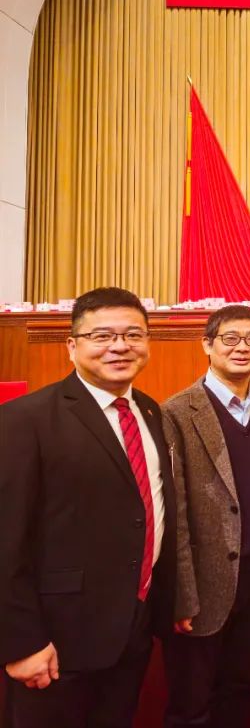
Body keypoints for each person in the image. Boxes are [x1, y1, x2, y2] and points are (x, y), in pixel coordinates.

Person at [0, 287, 174, 728]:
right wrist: (20, 642)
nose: (120, 346)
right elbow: (6, 540)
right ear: (72, 345)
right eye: (102, 336)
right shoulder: (25, 420)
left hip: (132, 629)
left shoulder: (149, 412)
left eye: (133, 334)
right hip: (56, 642)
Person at [161, 305, 250, 728]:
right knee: (191, 701)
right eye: (230, 338)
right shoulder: (177, 411)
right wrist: (182, 592)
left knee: (239, 688)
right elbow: (175, 511)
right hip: (201, 581)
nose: (241, 347)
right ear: (207, 344)